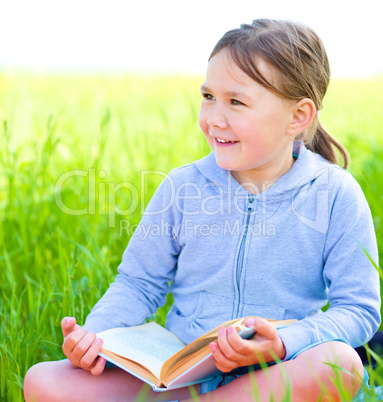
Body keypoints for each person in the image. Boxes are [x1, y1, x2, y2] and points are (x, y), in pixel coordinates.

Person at [24, 18, 380, 401]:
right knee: (43, 380)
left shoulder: (336, 194)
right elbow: (138, 283)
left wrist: (283, 342)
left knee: (340, 363)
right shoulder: (182, 187)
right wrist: (96, 338)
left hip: (274, 375)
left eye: (236, 102)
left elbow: (358, 309)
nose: (214, 118)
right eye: (208, 97)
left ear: (298, 117)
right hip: (183, 371)